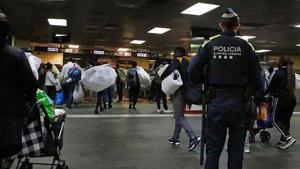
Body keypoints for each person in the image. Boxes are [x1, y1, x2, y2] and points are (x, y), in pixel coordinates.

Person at [188, 8, 263, 169]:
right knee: (236, 151)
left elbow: (192, 70)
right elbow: (257, 77)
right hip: (239, 104)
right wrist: (259, 99)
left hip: (216, 101)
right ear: (238, 26)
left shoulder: (210, 45)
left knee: (213, 150)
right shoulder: (246, 46)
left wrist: (205, 83)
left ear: (220, 25)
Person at [0, 10, 38, 168]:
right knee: (6, 149)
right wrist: (30, 102)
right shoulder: (16, 55)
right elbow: (30, 84)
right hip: (9, 113)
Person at [161, 47, 201, 151]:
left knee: (179, 116)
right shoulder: (190, 61)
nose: (173, 54)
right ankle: (175, 137)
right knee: (178, 115)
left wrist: (163, 78)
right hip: (188, 92)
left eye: (174, 52)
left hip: (179, 92)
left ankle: (193, 137)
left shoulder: (176, 61)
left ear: (177, 53)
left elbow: (169, 72)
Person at [266, 55, 296, 150]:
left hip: (280, 99)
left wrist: (262, 94)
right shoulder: (292, 73)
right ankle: (283, 140)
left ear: (281, 62)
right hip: (291, 99)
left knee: (275, 120)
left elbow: (270, 87)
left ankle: (287, 137)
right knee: (285, 120)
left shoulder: (278, 73)